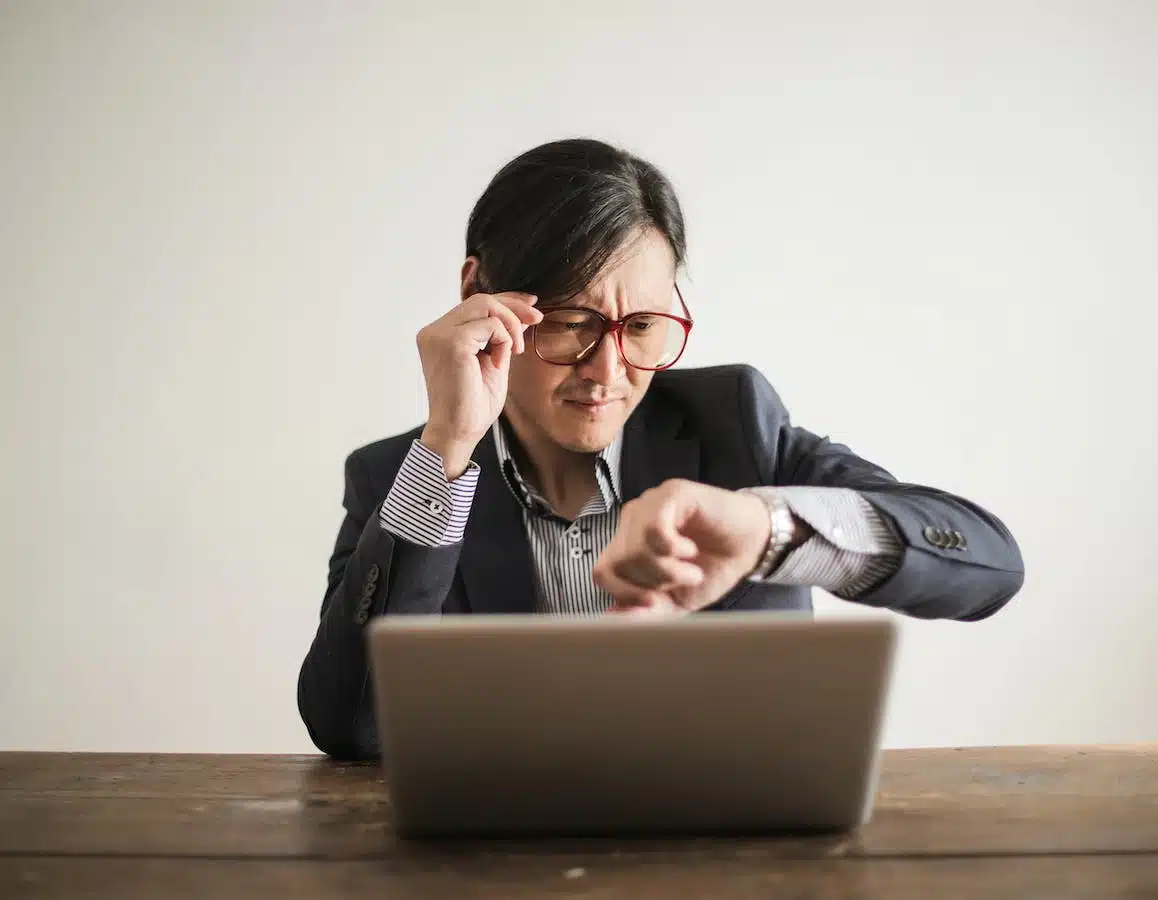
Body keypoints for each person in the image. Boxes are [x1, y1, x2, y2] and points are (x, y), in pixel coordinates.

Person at [297, 138, 1025, 759]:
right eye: (572, 322)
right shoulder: (399, 477)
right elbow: (349, 726)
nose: (608, 374)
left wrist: (769, 534)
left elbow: (987, 564)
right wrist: (448, 450)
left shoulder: (735, 422)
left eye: (642, 325)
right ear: (478, 297)